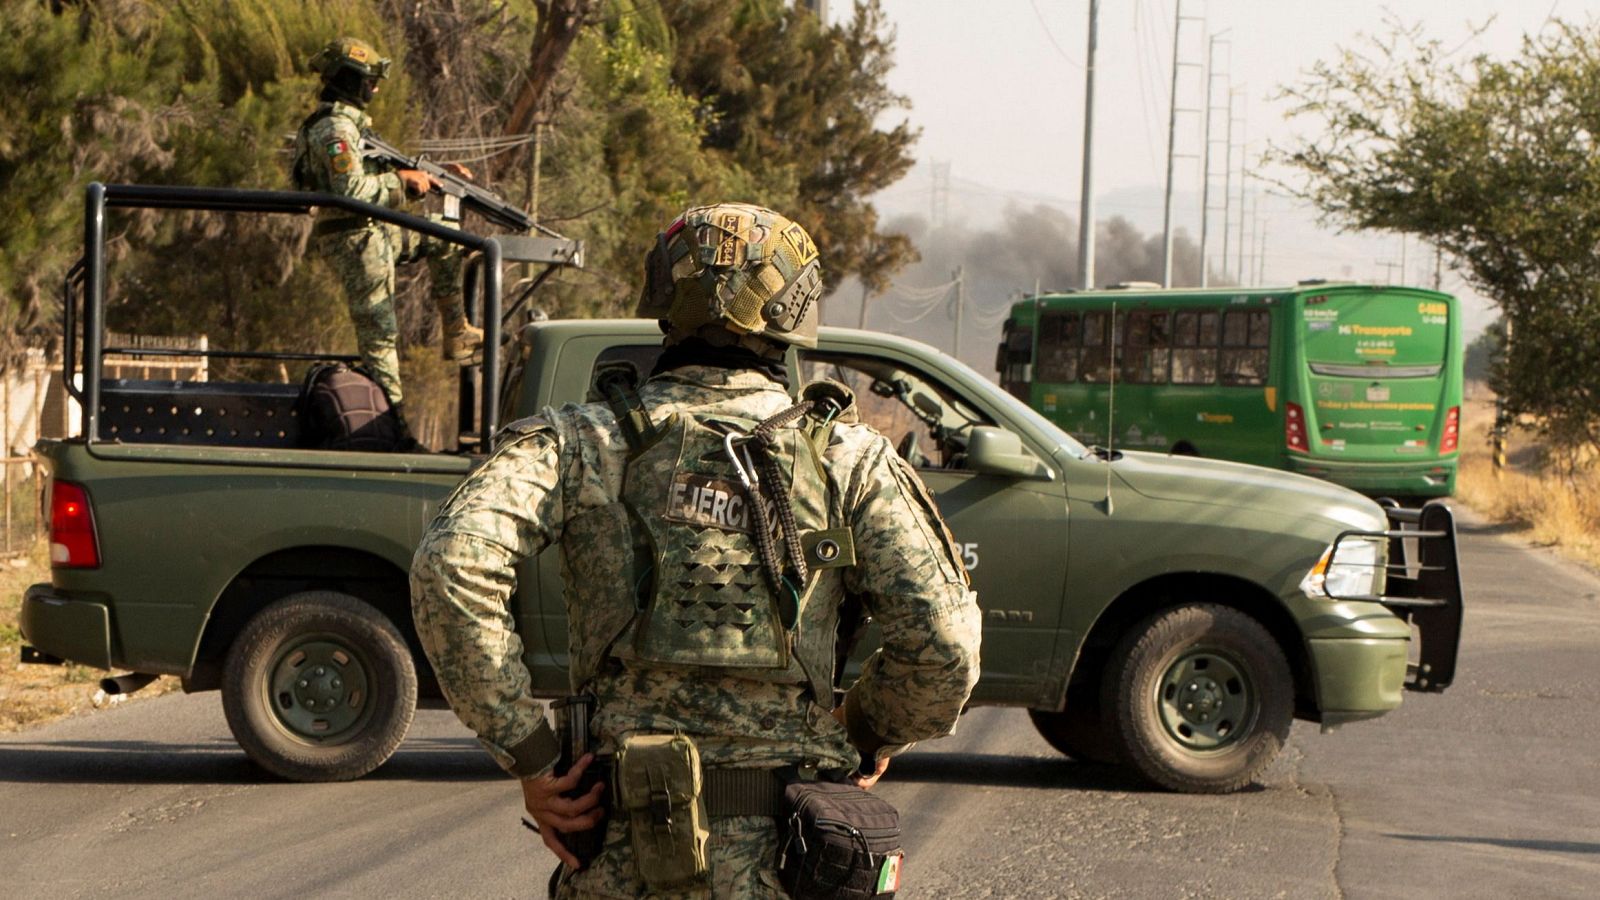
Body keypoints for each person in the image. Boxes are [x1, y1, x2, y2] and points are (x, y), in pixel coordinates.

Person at [411, 203, 982, 897]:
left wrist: (530, 754)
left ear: (663, 296)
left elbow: (452, 567)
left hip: (625, 855)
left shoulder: (582, 443)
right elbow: (945, 642)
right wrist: (865, 730)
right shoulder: (848, 458)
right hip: (799, 859)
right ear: (794, 310)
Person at [291, 36, 482, 416]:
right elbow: (351, 190)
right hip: (355, 241)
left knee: (443, 235)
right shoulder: (335, 131)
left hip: (372, 233)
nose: (375, 89)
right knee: (380, 338)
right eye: (368, 81)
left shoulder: (350, 126)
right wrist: (404, 184)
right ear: (348, 80)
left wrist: (435, 174)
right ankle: (392, 428)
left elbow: (385, 169)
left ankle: (457, 331)